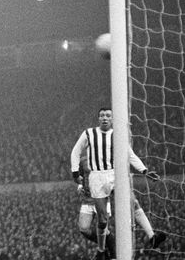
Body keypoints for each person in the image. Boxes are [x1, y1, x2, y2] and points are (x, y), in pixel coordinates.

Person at [70, 107, 163, 260]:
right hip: (97, 178)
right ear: (98, 118)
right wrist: (75, 173)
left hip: (115, 174)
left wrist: (144, 171)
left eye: (108, 115)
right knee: (102, 220)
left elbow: (130, 154)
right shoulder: (89, 133)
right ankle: (101, 250)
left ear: (112, 119)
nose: (104, 118)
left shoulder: (117, 135)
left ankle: (152, 236)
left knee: (133, 203)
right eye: (102, 115)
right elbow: (75, 151)